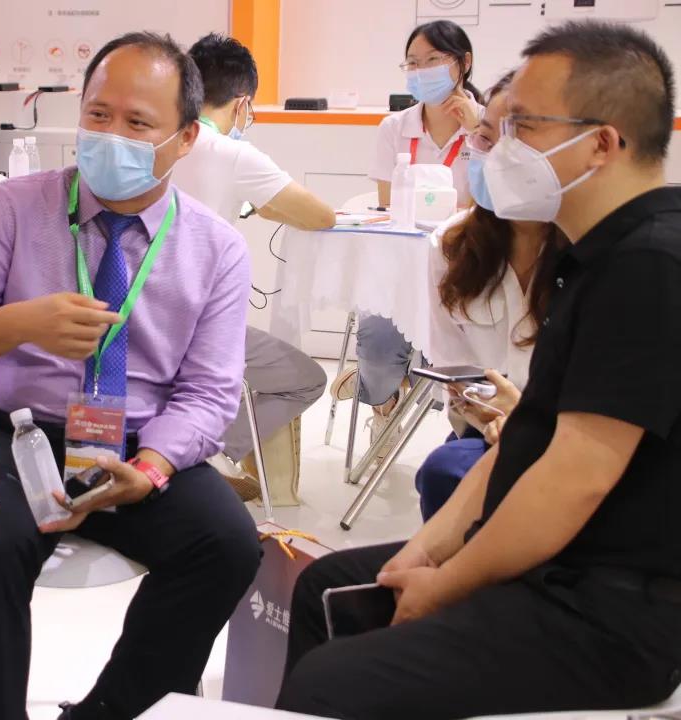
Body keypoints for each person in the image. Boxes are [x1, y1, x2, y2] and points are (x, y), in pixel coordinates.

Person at [278, 21, 681, 719]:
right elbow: (526, 438)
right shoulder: (591, 256)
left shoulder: (648, 264)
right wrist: (429, 549)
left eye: (523, 126)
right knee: (324, 589)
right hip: (557, 565)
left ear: (601, 143)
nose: (499, 147)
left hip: (608, 606)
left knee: (330, 682)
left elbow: (574, 477)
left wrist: (451, 580)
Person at [0, 32, 262, 720]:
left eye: (138, 123)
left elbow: (209, 392)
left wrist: (152, 468)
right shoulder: (14, 208)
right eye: (98, 115)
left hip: (135, 439)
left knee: (225, 544)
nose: (111, 136)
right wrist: (18, 324)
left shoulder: (217, 248)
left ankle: (112, 712)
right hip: (10, 427)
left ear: (186, 138)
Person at [172, 33, 332, 494]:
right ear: (242, 103)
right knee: (306, 380)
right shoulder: (233, 152)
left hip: (138, 318)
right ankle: (207, 453)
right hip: (198, 330)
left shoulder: (163, 138)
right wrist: (266, 204)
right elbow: (320, 215)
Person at [414, 70, 566, 520]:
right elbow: (454, 368)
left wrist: (527, 421)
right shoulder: (451, 247)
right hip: (484, 430)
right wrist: (489, 414)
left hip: (572, 436)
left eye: (513, 145)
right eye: (483, 138)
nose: (493, 158)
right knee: (444, 472)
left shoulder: (592, 249)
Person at [334, 20, 485, 456]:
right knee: (378, 346)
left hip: (465, 271)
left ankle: (463, 443)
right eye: (413, 63)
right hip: (399, 269)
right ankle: (383, 403)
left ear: (464, 63)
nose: (422, 71)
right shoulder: (395, 127)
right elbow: (389, 209)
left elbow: (493, 208)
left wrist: (478, 132)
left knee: (461, 366)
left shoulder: (490, 126)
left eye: (433, 60)